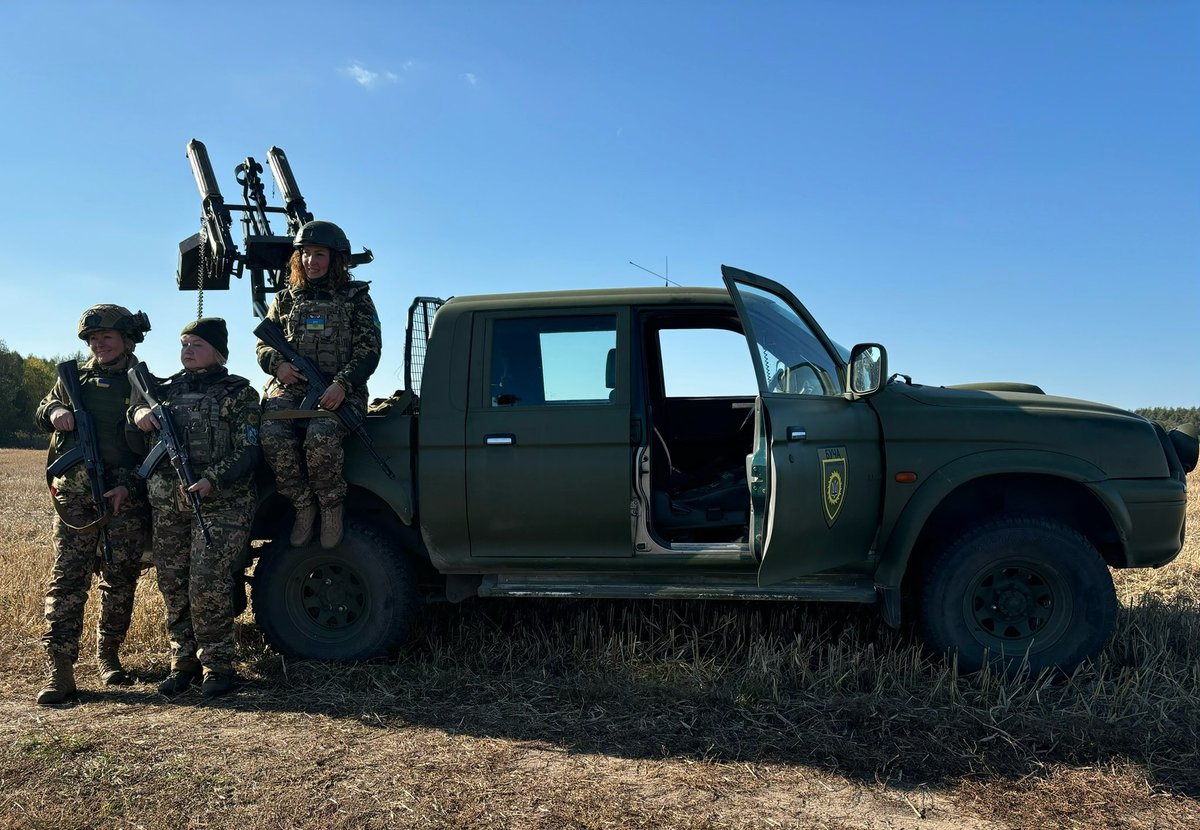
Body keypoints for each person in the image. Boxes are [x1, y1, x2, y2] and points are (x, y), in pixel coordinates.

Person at [130, 318, 260, 698]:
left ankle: (217, 666)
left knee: (207, 583)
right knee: (172, 583)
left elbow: (249, 450)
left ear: (218, 351)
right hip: (169, 504)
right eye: (184, 344)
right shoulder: (164, 392)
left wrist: (212, 480)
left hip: (221, 505)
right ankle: (182, 662)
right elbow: (133, 424)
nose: (188, 350)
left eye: (197, 345)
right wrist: (136, 414)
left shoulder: (239, 393)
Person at [35, 304, 153, 704]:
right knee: (67, 579)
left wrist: (130, 488)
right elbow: (42, 407)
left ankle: (109, 656)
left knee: (119, 579)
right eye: (93, 339)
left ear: (127, 340)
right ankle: (60, 669)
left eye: (107, 337)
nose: (98, 344)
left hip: (123, 494)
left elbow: (156, 449)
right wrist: (55, 410)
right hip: (74, 496)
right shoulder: (71, 378)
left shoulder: (142, 380)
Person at [256, 220, 382, 550]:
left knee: (321, 434)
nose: (312, 261)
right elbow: (263, 345)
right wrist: (278, 365)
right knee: (270, 433)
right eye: (306, 254)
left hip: (341, 390)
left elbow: (369, 350)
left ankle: (329, 504)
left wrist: (342, 383)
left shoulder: (356, 298)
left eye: (320, 254)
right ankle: (301, 503)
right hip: (292, 388)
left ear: (336, 259)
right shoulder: (284, 299)